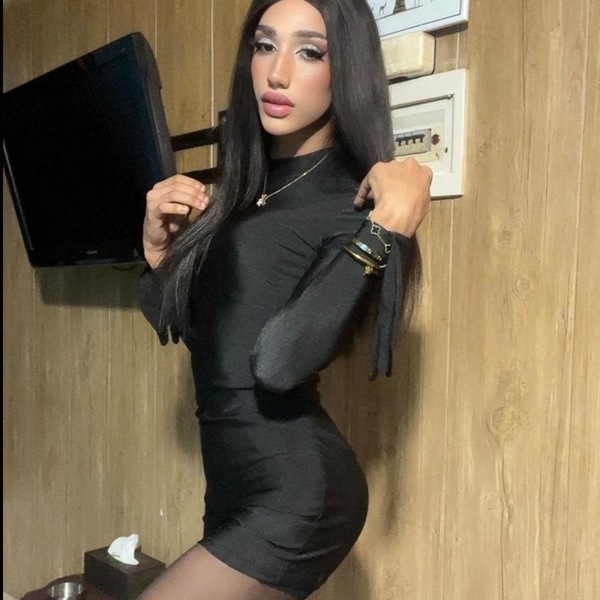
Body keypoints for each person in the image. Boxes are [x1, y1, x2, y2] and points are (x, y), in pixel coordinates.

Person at [137, 0, 432, 598]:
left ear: (346, 69)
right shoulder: (249, 191)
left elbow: (277, 364)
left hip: (299, 495)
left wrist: (388, 223)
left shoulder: (351, 203)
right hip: (232, 483)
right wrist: (158, 253)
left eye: (310, 52)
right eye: (265, 45)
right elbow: (209, 337)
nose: (277, 73)